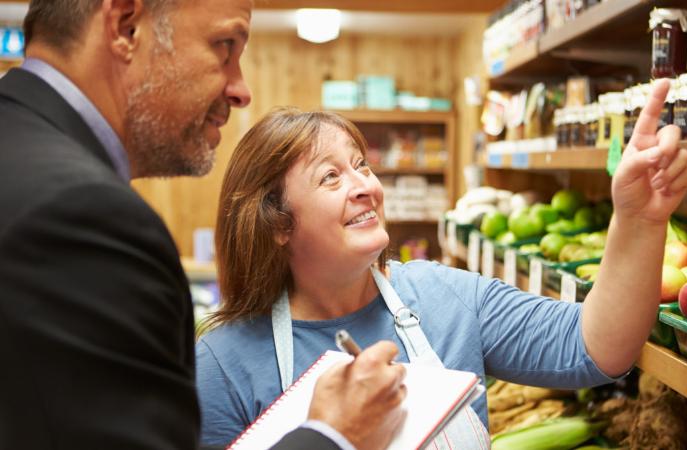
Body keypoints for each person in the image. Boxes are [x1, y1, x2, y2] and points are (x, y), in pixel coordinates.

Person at [196, 79, 687, 447]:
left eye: (361, 164)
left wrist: (637, 220)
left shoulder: (447, 298)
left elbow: (599, 347)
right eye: (331, 177)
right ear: (278, 224)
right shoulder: (223, 363)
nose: (366, 186)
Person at [0, 0, 406, 449]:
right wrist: (334, 435)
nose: (241, 90)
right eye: (224, 47)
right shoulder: (83, 214)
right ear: (126, 27)